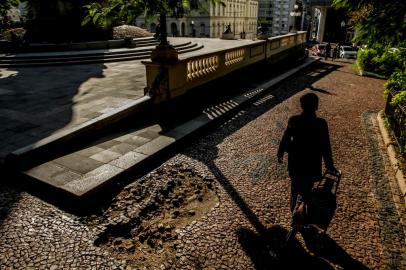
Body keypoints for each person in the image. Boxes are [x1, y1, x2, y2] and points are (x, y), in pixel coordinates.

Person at [277, 93, 337, 212]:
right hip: (312, 162)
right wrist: (329, 164)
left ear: (301, 105)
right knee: (307, 190)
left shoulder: (294, 120)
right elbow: (326, 145)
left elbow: (286, 137)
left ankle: (294, 212)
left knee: (294, 189)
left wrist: (282, 152)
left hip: (296, 161)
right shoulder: (321, 124)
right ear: (316, 106)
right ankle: (303, 214)